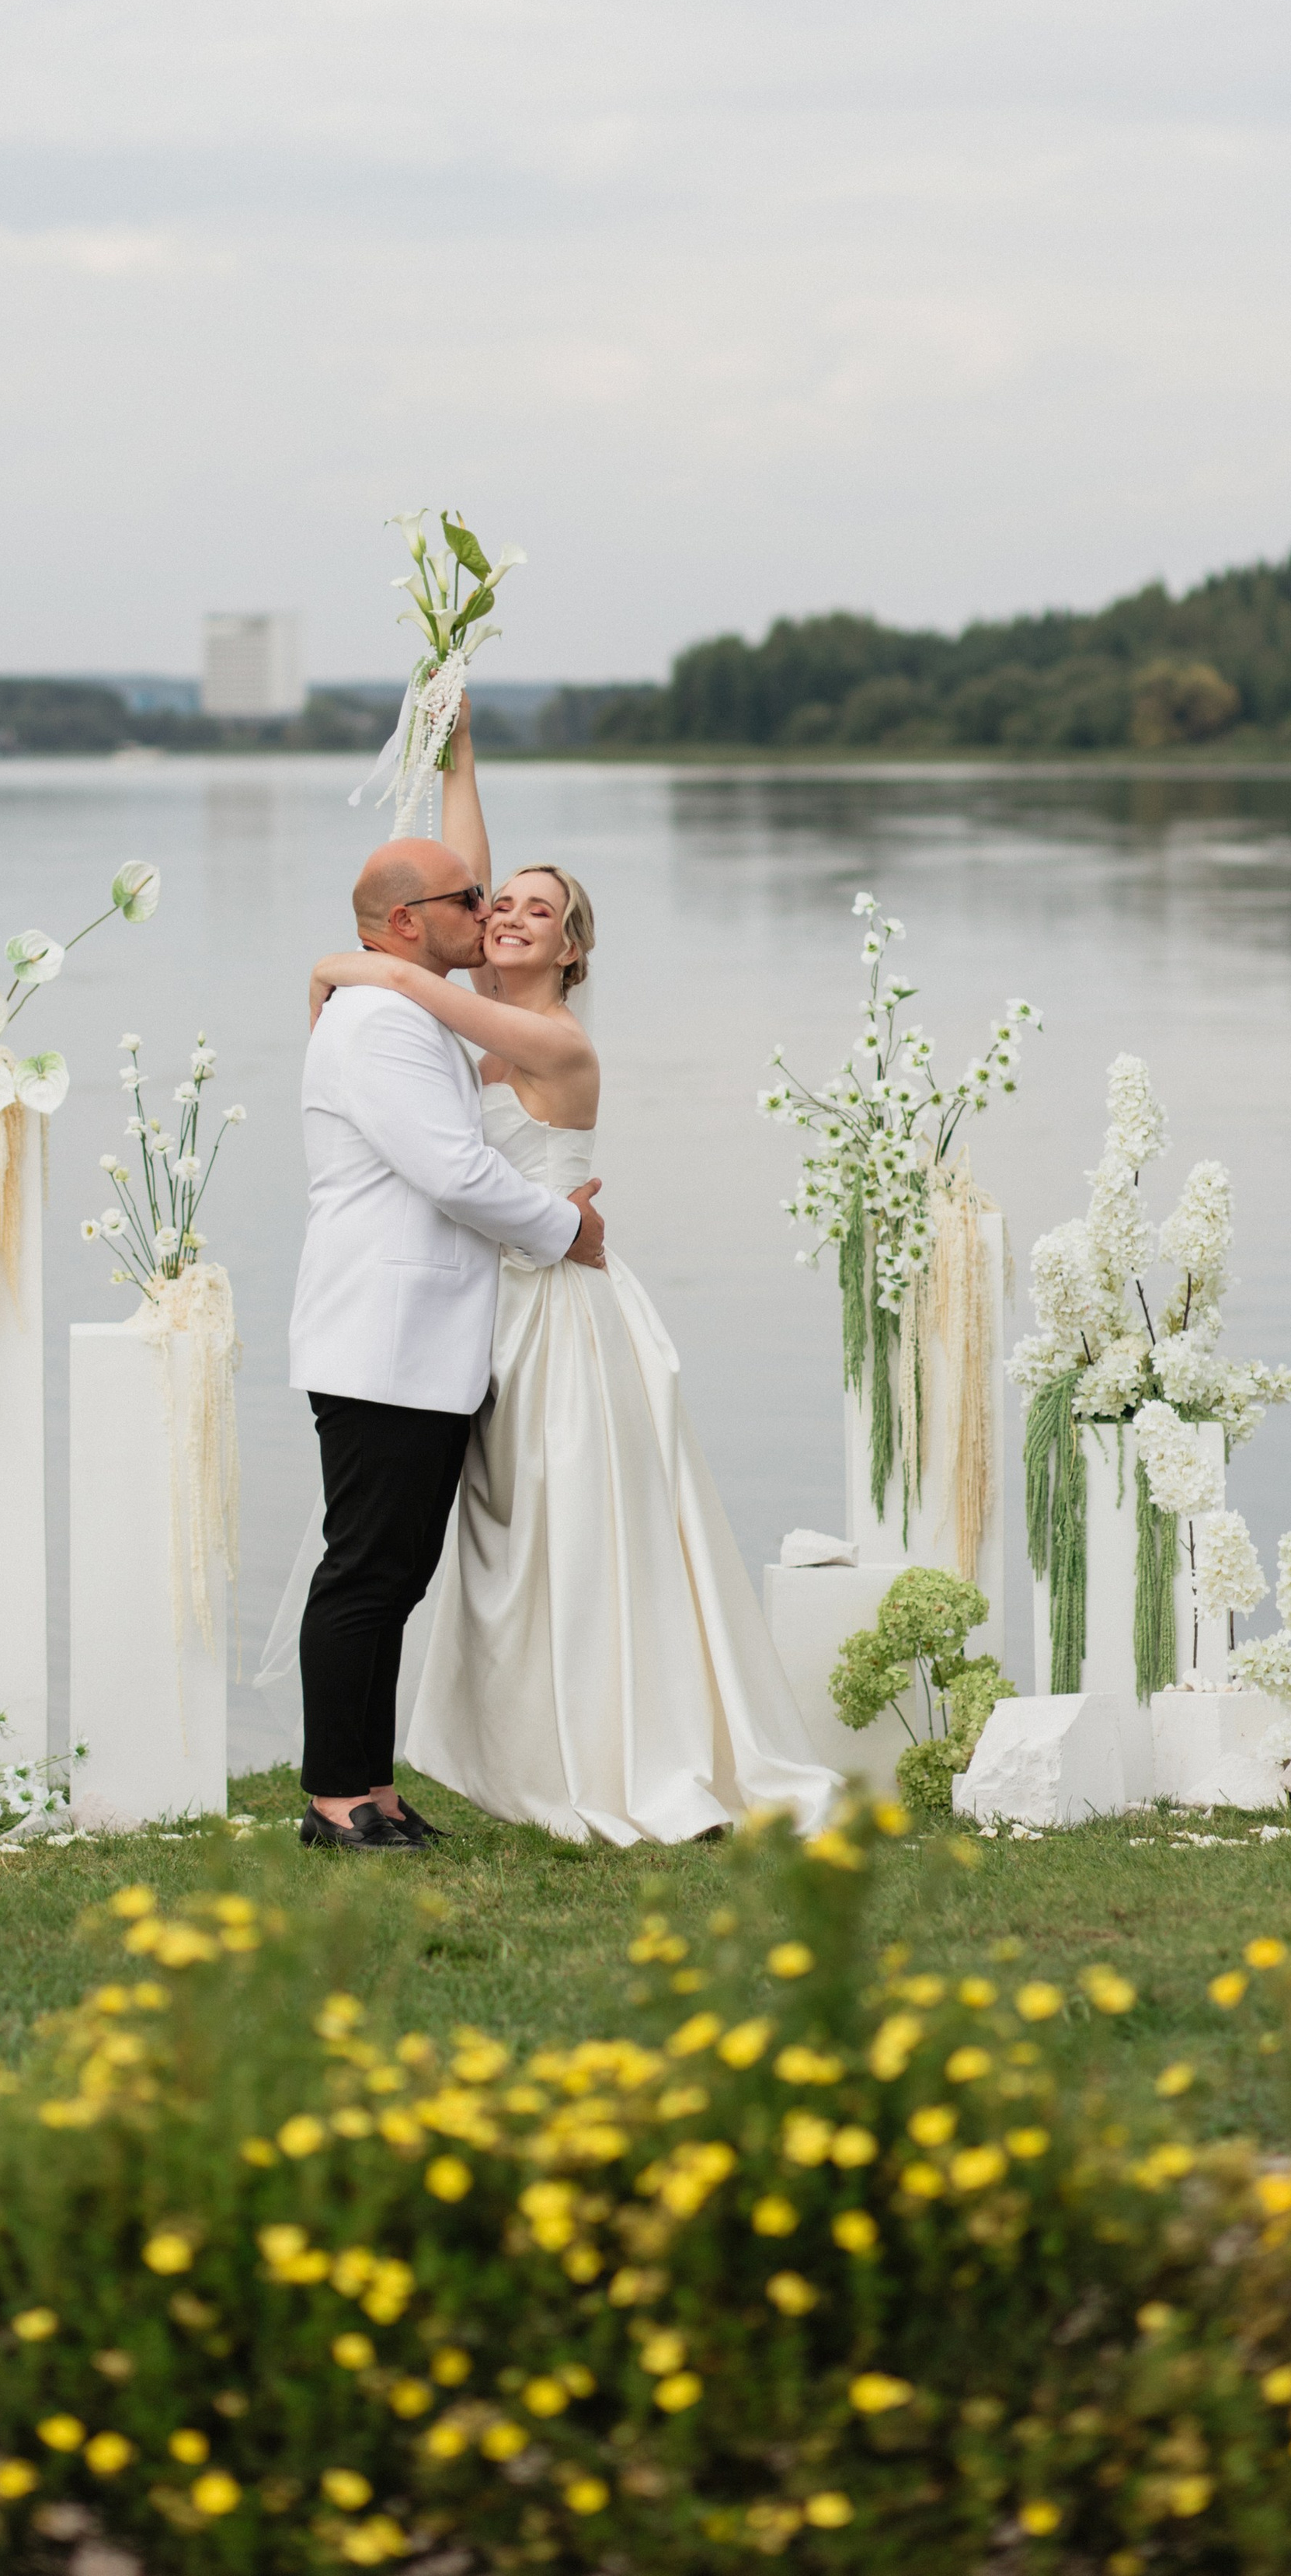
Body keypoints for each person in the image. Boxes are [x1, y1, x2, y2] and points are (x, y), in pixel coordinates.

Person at [302, 699, 837, 1846]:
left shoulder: (545, 1041)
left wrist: (348, 960)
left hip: (560, 1314)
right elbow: (446, 917)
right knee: (496, 1559)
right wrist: (459, 754)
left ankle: (620, 1752)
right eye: (496, 905)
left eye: (539, 913)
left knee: (585, 1543)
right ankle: (492, 1759)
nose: (505, 916)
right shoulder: (463, 1016)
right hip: (476, 1317)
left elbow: (416, 969)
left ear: (573, 949)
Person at [285, 821, 609, 1849]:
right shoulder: (381, 1026)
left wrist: (458, 747)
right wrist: (572, 1232)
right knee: (365, 1573)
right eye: (470, 899)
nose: (486, 911)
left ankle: (370, 1787)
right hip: (384, 1339)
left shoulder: (408, 1011)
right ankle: (339, 1800)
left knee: (394, 1576)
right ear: (405, 924)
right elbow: (453, 1174)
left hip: (420, 1341)